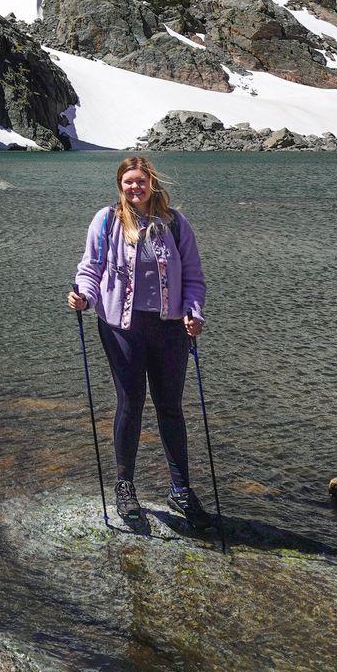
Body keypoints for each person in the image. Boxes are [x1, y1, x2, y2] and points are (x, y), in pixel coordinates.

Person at [67, 153, 212, 530]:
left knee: (171, 408)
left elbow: (194, 277)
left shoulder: (176, 224)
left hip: (170, 330)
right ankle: (125, 486)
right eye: (128, 181)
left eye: (141, 180)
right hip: (121, 327)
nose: (135, 187)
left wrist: (193, 312)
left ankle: (180, 490)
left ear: (152, 183)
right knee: (130, 403)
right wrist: (83, 295)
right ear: (120, 186)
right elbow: (91, 268)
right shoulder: (106, 221)